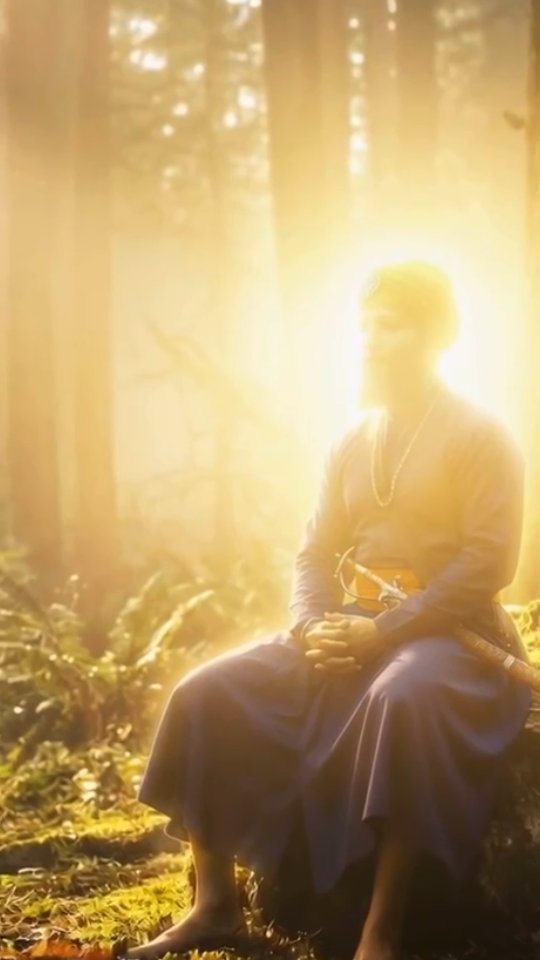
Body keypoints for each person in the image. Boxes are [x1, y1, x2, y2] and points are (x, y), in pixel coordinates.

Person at [125, 260, 531, 960]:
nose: (370, 339)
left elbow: (489, 566)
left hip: (452, 642)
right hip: (347, 627)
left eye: (390, 325)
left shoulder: (480, 434)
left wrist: (386, 631)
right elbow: (314, 553)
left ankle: (382, 930)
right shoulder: (352, 440)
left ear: (435, 336)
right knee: (206, 692)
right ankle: (215, 906)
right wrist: (314, 625)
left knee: (401, 699)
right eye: (364, 324)